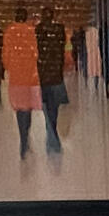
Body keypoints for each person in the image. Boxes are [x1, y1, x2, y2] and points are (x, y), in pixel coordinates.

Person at [4, 9, 40, 161]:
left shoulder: (8, 33)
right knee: (28, 108)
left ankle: (23, 138)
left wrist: (10, 68)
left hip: (17, 77)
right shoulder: (31, 32)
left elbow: (6, 55)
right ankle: (26, 137)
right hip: (30, 75)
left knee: (20, 108)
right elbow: (36, 53)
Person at [34, 8, 69, 155]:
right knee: (53, 108)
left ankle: (52, 137)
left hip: (43, 75)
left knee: (46, 107)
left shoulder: (38, 31)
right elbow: (62, 48)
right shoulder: (59, 30)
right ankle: (52, 135)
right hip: (56, 74)